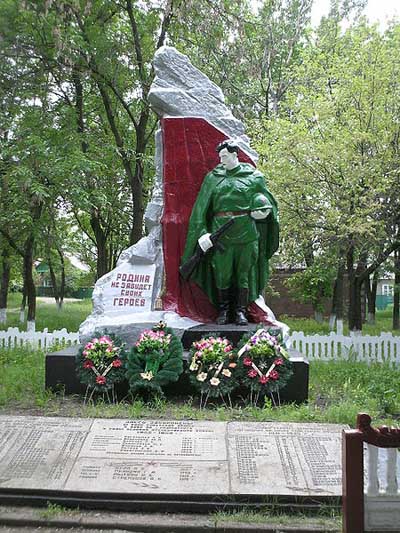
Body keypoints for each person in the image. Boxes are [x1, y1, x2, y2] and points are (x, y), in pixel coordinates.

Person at [181, 140, 279, 325]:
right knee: (222, 273)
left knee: (243, 273)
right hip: (220, 234)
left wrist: (264, 211)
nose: (221, 160)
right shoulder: (213, 177)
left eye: (224, 156)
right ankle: (224, 311)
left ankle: (240, 311)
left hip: (247, 233)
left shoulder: (254, 177)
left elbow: (269, 203)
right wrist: (203, 233)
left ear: (235, 155)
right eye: (220, 157)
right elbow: (201, 208)